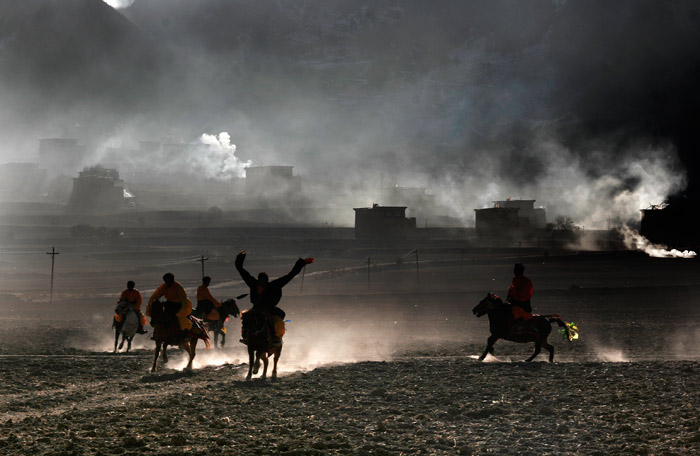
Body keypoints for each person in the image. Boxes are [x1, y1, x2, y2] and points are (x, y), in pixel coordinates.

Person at [235, 251, 311, 344]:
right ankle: (246, 337)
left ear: (266, 281)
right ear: (258, 280)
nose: (262, 282)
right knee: (246, 318)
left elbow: (290, 275)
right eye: (260, 280)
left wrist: (301, 264)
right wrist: (240, 258)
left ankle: (277, 337)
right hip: (256, 308)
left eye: (263, 280)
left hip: (269, 309)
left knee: (280, 317)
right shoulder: (253, 284)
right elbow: (242, 271)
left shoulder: (274, 285)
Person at [507, 263, 535, 334]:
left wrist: (514, 298)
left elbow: (523, 294)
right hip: (517, 301)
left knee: (514, 310)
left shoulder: (524, 281)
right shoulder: (518, 280)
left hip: (522, 303)